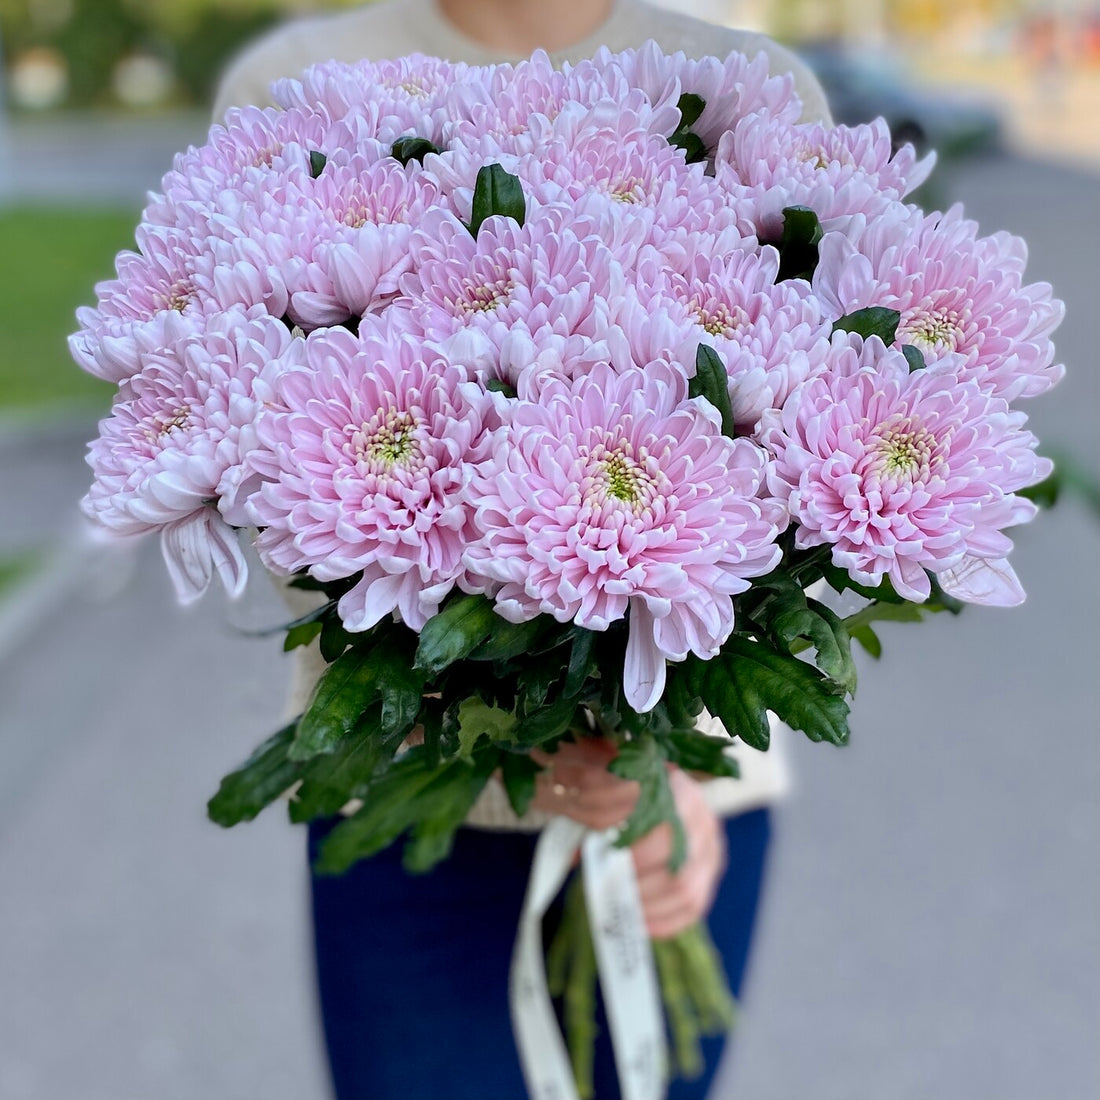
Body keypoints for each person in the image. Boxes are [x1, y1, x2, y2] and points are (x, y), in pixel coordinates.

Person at [213, 4, 830, 1097]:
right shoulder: (296, 80)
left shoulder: (748, 84)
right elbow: (265, 479)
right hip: (398, 786)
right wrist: (514, 727)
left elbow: (817, 466)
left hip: (676, 807)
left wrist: (657, 760)